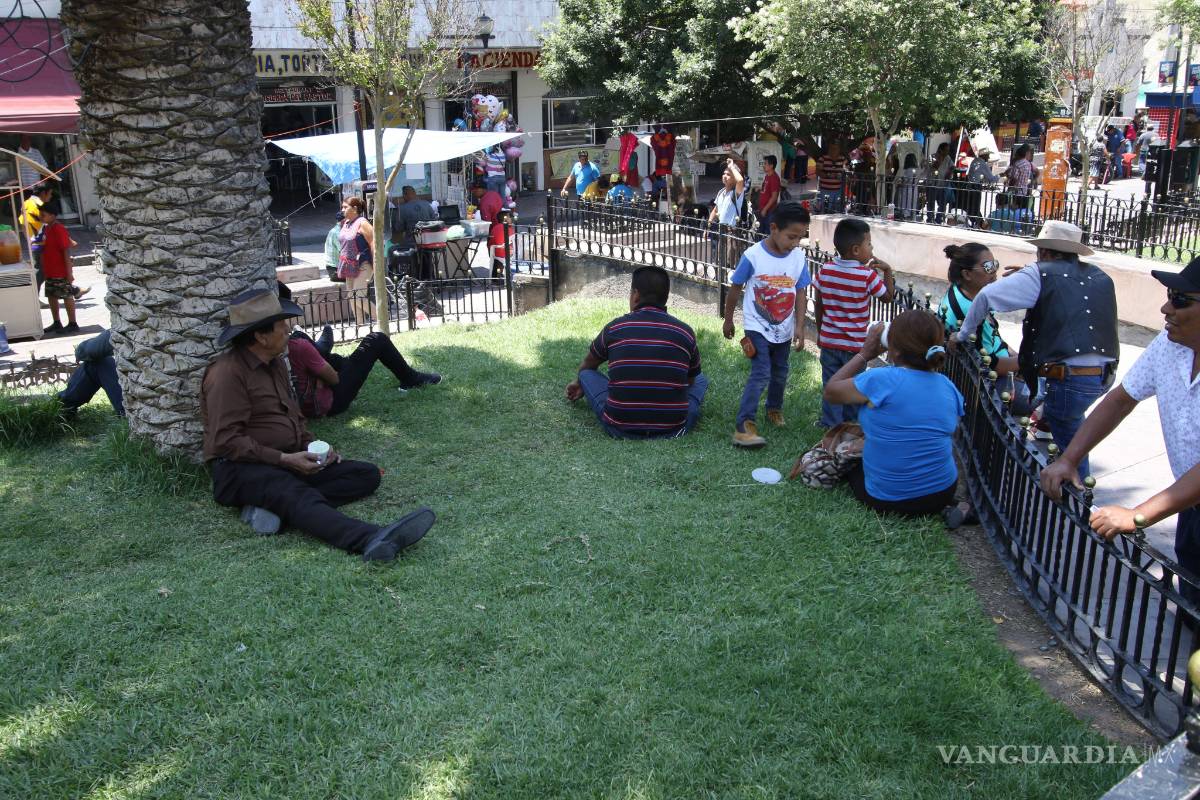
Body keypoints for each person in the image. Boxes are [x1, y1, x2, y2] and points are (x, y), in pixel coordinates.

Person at [201, 287, 436, 560]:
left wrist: (311, 448)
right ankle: (371, 539)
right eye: (282, 326)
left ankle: (274, 508)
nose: (289, 330)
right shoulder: (227, 374)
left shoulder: (275, 364)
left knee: (365, 475)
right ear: (260, 336)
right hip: (240, 469)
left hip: (285, 462)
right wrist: (285, 460)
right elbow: (226, 441)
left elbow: (292, 416)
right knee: (296, 493)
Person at [1040, 257, 1200, 614]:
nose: (1165, 307)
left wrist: (1138, 515)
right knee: (1192, 608)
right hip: (1192, 506)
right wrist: (1069, 458)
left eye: (1181, 299)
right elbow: (1120, 400)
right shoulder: (1169, 345)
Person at [953, 221, 1118, 477]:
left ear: (1045, 253)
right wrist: (1037, 278)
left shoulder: (1040, 274)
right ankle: (1048, 431)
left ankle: (1076, 500)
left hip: (1070, 376)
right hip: (1103, 375)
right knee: (1068, 423)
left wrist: (962, 335)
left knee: (1071, 448)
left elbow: (985, 297)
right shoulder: (1099, 276)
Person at [823, 311, 964, 517]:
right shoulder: (948, 386)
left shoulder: (882, 380)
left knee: (850, 462)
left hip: (888, 499)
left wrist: (864, 353)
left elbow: (831, 392)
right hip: (943, 492)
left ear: (893, 351)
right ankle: (949, 509)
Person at [565, 266, 707, 439]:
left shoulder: (614, 328)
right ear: (666, 297)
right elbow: (690, 381)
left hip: (619, 427)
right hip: (673, 428)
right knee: (700, 379)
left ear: (636, 295)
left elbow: (588, 364)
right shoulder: (685, 332)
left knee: (586, 374)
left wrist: (579, 383)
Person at [722, 202, 811, 448]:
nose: (795, 242)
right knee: (761, 372)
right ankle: (744, 426)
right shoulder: (753, 256)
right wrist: (728, 319)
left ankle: (774, 409)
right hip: (756, 326)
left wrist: (800, 327)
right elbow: (735, 288)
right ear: (773, 228)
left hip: (783, 328)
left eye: (800, 237)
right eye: (791, 236)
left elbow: (801, 292)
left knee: (780, 372)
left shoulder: (798, 258)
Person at [938, 243, 1036, 418]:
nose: (994, 272)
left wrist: (1018, 359)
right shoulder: (968, 311)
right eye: (988, 267)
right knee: (1056, 393)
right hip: (994, 384)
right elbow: (988, 364)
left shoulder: (965, 293)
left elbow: (993, 338)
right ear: (967, 274)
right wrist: (1025, 364)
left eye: (995, 264)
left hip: (1005, 370)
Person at [814, 217, 895, 427]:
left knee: (831, 382)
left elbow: (819, 303)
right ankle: (850, 425)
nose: (872, 248)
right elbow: (887, 297)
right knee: (853, 385)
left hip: (830, 341)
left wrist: (820, 332)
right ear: (856, 250)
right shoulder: (866, 275)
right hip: (855, 347)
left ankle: (830, 424)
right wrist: (887, 271)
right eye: (869, 244)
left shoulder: (826, 270)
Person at [287, 325, 439, 419]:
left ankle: (323, 350)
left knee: (303, 337)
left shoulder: (274, 352)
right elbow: (334, 379)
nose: (285, 327)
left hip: (308, 403)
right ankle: (410, 378)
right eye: (282, 324)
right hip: (331, 401)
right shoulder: (298, 346)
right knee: (377, 339)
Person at [38, 201, 85, 334]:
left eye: (43, 215)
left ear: (53, 215)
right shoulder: (47, 228)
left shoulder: (59, 229)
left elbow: (66, 251)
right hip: (50, 269)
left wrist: (69, 272)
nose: (41, 217)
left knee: (66, 295)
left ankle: (72, 322)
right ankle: (57, 322)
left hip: (60, 270)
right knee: (51, 295)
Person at [57, 329, 124, 417]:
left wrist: (79, 350)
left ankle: (63, 404)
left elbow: (90, 350)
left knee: (99, 362)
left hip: (137, 406)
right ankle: (63, 404)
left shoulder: (137, 326)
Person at [337, 197, 373, 326]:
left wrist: (376, 264)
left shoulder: (363, 223)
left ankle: (381, 318)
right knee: (352, 298)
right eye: (342, 207)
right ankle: (360, 327)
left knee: (358, 296)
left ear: (355, 209)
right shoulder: (346, 222)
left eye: (345, 207)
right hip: (348, 265)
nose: (342, 210)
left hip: (364, 264)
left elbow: (374, 242)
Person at [20, 183, 53, 287]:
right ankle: (33, 295)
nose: (51, 196)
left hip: (33, 242)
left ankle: (74, 290)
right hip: (41, 243)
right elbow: (49, 224)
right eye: (50, 194)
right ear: (43, 193)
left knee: (43, 270)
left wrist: (29, 239)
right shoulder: (40, 205)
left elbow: (22, 224)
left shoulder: (26, 203)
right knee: (41, 272)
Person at [964, 148, 996, 226]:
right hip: (975, 186)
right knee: (975, 206)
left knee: (971, 206)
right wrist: (1000, 176)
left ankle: (977, 222)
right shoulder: (982, 163)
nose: (988, 158)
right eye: (987, 155)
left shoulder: (975, 161)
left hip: (970, 185)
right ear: (984, 155)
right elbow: (991, 179)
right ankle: (980, 223)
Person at [924, 142, 953, 224]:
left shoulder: (948, 158)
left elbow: (952, 166)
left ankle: (939, 218)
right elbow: (935, 166)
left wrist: (949, 172)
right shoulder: (932, 157)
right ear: (941, 149)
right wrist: (940, 157)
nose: (948, 151)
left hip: (942, 184)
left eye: (948, 150)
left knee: (943, 204)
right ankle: (930, 219)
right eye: (946, 150)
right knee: (931, 203)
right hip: (932, 183)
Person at [1005, 144, 1037, 214]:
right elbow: (1037, 172)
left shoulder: (1017, 164)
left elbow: (1014, 178)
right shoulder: (1028, 164)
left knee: (1013, 212)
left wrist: (1010, 188)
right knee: (1021, 213)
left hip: (1016, 193)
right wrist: (1033, 181)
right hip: (1024, 192)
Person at [817, 141, 846, 213]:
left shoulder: (843, 159)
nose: (834, 151)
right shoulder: (822, 158)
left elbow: (847, 171)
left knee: (836, 210)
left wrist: (842, 175)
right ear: (829, 149)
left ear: (839, 149)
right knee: (825, 209)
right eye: (832, 148)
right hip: (825, 190)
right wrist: (828, 175)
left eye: (836, 148)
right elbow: (817, 172)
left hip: (838, 190)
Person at [756, 154, 782, 233]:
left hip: (769, 212)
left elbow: (774, 197)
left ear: (771, 166)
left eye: (765, 164)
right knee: (761, 233)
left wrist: (765, 209)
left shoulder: (774, 178)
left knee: (767, 234)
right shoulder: (768, 176)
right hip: (764, 210)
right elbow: (767, 190)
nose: (763, 166)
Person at [488, 208, 513, 277]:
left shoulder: (495, 228)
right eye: (509, 217)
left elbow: (490, 242)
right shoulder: (509, 228)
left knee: (500, 261)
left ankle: (499, 275)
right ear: (505, 219)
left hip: (495, 251)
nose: (511, 218)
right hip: (508, 252)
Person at [323, 210, 344, 282]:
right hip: (335, 271)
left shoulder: (335, 230)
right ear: (344, 221)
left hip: (334, 269)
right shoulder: (338, 233)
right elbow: (344, 252)